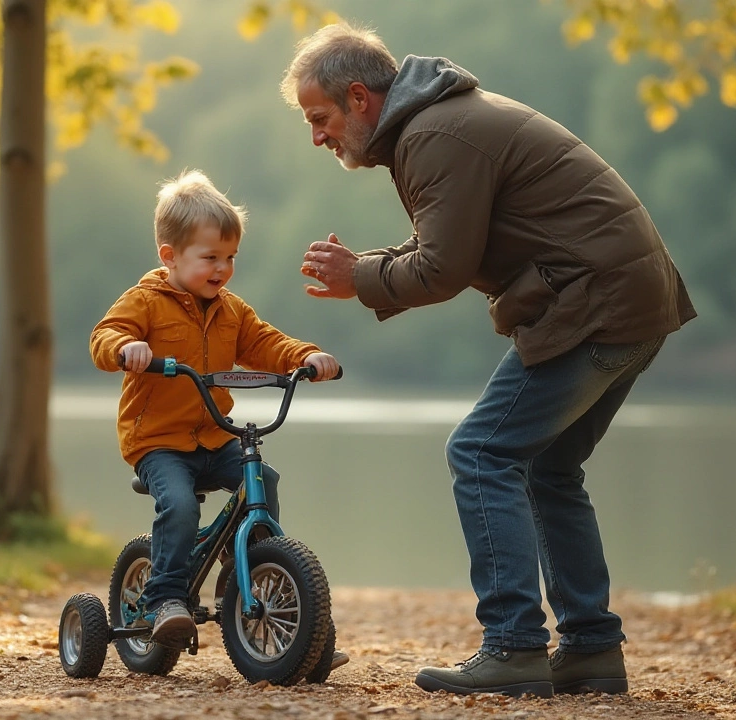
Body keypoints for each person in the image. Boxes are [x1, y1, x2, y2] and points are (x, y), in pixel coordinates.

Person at [282, 22, 696, 698]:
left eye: (319, 117)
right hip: (630, 294)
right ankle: (591, 648)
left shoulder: (433, 135)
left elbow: (443, 268)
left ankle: (514, 645)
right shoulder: (438, 124)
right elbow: (444, 249)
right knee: (548, 467)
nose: (317, 136)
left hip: (594, 301)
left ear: (359, 97)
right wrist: (366, 270)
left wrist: (358, 277)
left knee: (480, 454)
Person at [90, 169, 344, 659]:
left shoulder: (232, 311)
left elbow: (266, 343)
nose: (222, 268)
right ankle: (164, 597)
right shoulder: (145, 302)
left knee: (263, 482)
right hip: (159, 441)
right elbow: (105, 334)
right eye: (210, 258)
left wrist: (306, 357)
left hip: (214, 434)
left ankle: (252, 577)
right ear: (171, 256)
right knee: (182, 506)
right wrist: (127, 348)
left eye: (230, 258)